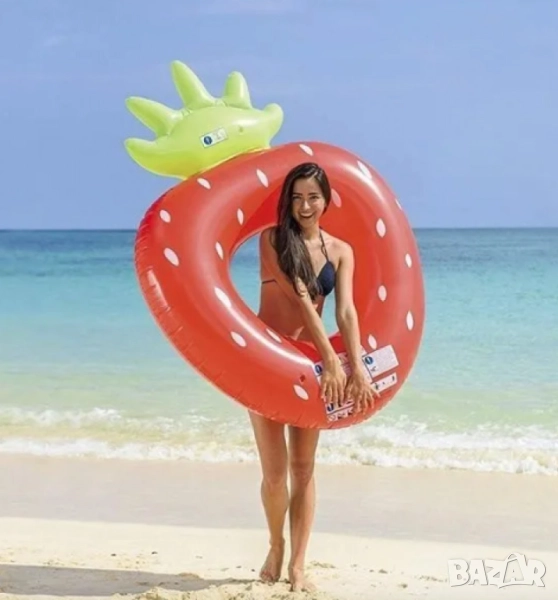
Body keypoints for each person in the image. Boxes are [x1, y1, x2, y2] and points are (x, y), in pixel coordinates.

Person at [251, 161, 377, 592]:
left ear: (327, 200)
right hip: (269, 361)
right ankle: (275, 545)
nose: (305, 206)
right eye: (297, 197)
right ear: (288, 201)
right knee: (275, 474)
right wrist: (333, 361)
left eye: (313, 197)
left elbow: (346, 311)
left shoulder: (341, 251)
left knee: (303, 470)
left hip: (309, 366)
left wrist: (355, 366)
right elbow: (300, 297)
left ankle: (299, 565)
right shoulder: (272, 240)